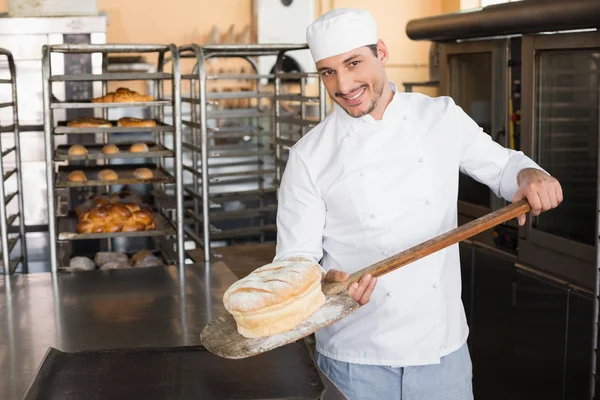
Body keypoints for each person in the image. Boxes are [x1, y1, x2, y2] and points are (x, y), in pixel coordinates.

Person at [273, 8, 563, 400]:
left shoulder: (439, 116)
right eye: (328, 71)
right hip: (354, 359)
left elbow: (505, 166)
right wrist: (325, 286)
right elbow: (295, 265)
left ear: (382, 52)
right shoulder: (309, 157)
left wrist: (530, 174)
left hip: (442, 356)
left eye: (353, 63)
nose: (343, 84)